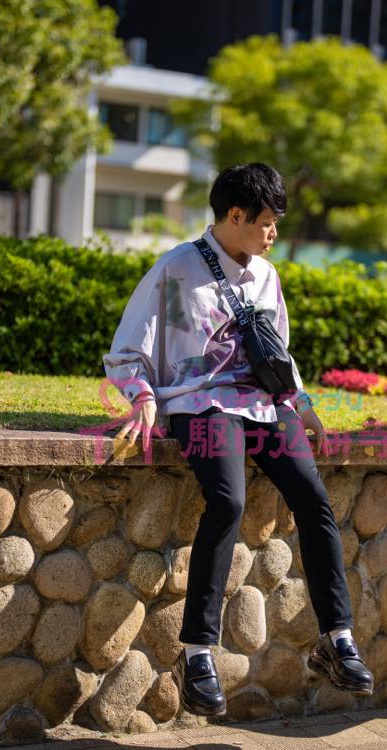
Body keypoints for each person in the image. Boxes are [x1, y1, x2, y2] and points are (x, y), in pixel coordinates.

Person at [104, 163, 373, 716]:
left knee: (312, 496)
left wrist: (302, 404)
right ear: (235, 215)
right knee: (228, 498)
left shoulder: (266, 277)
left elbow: (275, 352)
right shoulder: (177, 269)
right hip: (200, 403)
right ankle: (197, 652)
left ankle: (337, 639)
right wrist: (143, 395)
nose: (273, 233)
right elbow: (132, 345)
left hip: (262, 406)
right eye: (268, 222)